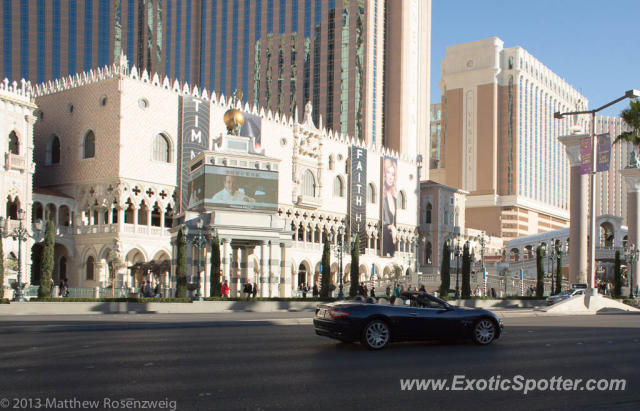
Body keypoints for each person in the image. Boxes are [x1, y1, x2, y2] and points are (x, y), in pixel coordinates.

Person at [382, 157, 398, 257]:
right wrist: (391, 227)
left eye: (393, 174)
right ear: (384, 174)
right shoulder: (382, 198)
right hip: (383, 244)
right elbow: (382, 221)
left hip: (392, 245)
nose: (391, 177)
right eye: (388, 172)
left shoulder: (395, 199)